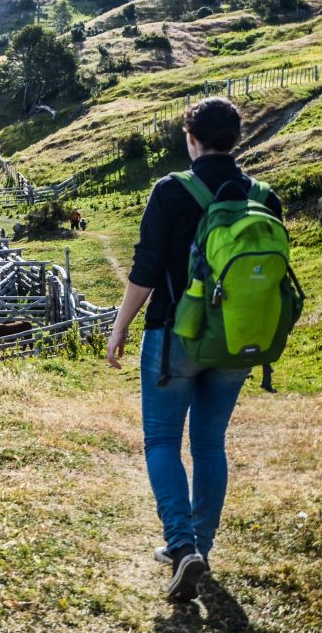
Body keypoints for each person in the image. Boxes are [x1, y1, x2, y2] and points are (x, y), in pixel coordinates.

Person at [106, 97, 283, 602]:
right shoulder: (264, 198)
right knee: (209, 443)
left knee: (162, 440)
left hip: (174, 336)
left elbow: (144, 267)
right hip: (235, 341)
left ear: (190, 138)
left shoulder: (170, 190)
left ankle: (182, 546)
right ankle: (199, 547)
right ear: (237, 139)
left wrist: (121, 327)